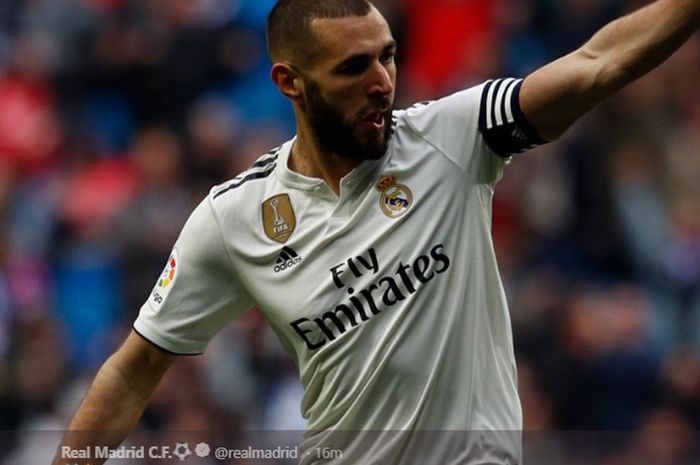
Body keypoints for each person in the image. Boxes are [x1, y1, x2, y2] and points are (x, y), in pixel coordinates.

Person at [53, 0, 700, 464]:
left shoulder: (452, 137)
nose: (382, 83)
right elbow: (133, 370)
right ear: (290, 83)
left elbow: (597, 63)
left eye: (388, 57)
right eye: (353, 68)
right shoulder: (234, 218)